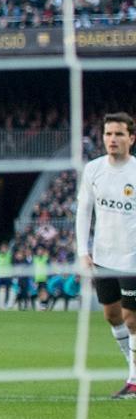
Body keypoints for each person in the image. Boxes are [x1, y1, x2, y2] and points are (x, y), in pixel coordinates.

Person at [75, 112, 136, 399]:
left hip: (132, 258)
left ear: (131, 138)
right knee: (112, 316)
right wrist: (82, 251)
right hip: (103, 257)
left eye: (119, 134)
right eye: (109, 134)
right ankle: (132, 366)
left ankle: (134, 380)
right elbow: (84, 210)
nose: (112, 139)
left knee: (132, 318)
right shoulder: (93, 169)